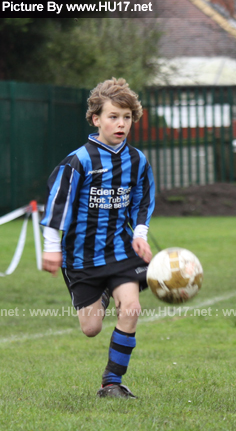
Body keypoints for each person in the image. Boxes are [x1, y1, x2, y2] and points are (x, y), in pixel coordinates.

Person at [40, 78, 155, 399]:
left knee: (131, 309)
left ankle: (112, 383)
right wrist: (51, 249)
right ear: (96, 119)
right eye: (113, 116)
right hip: (82, 256)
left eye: (127, 118)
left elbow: (143, 201)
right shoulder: (79, 161)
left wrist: (141, 234)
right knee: (91, 329)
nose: (121, 124)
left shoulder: (138, 161)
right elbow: (55, 207)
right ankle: (103, 292)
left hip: (120, 250)